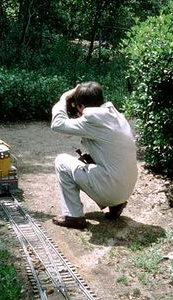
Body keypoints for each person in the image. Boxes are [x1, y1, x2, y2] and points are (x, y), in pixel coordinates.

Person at [51, 81, 137, 229]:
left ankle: (74, 216)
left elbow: (57, 124)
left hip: (112, 189)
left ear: (82, 106)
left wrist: (65, 97)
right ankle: (116, 204)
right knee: (94, 162)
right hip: (126, 189)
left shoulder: (92, 118)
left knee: (61, 161)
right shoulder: (115, 115)